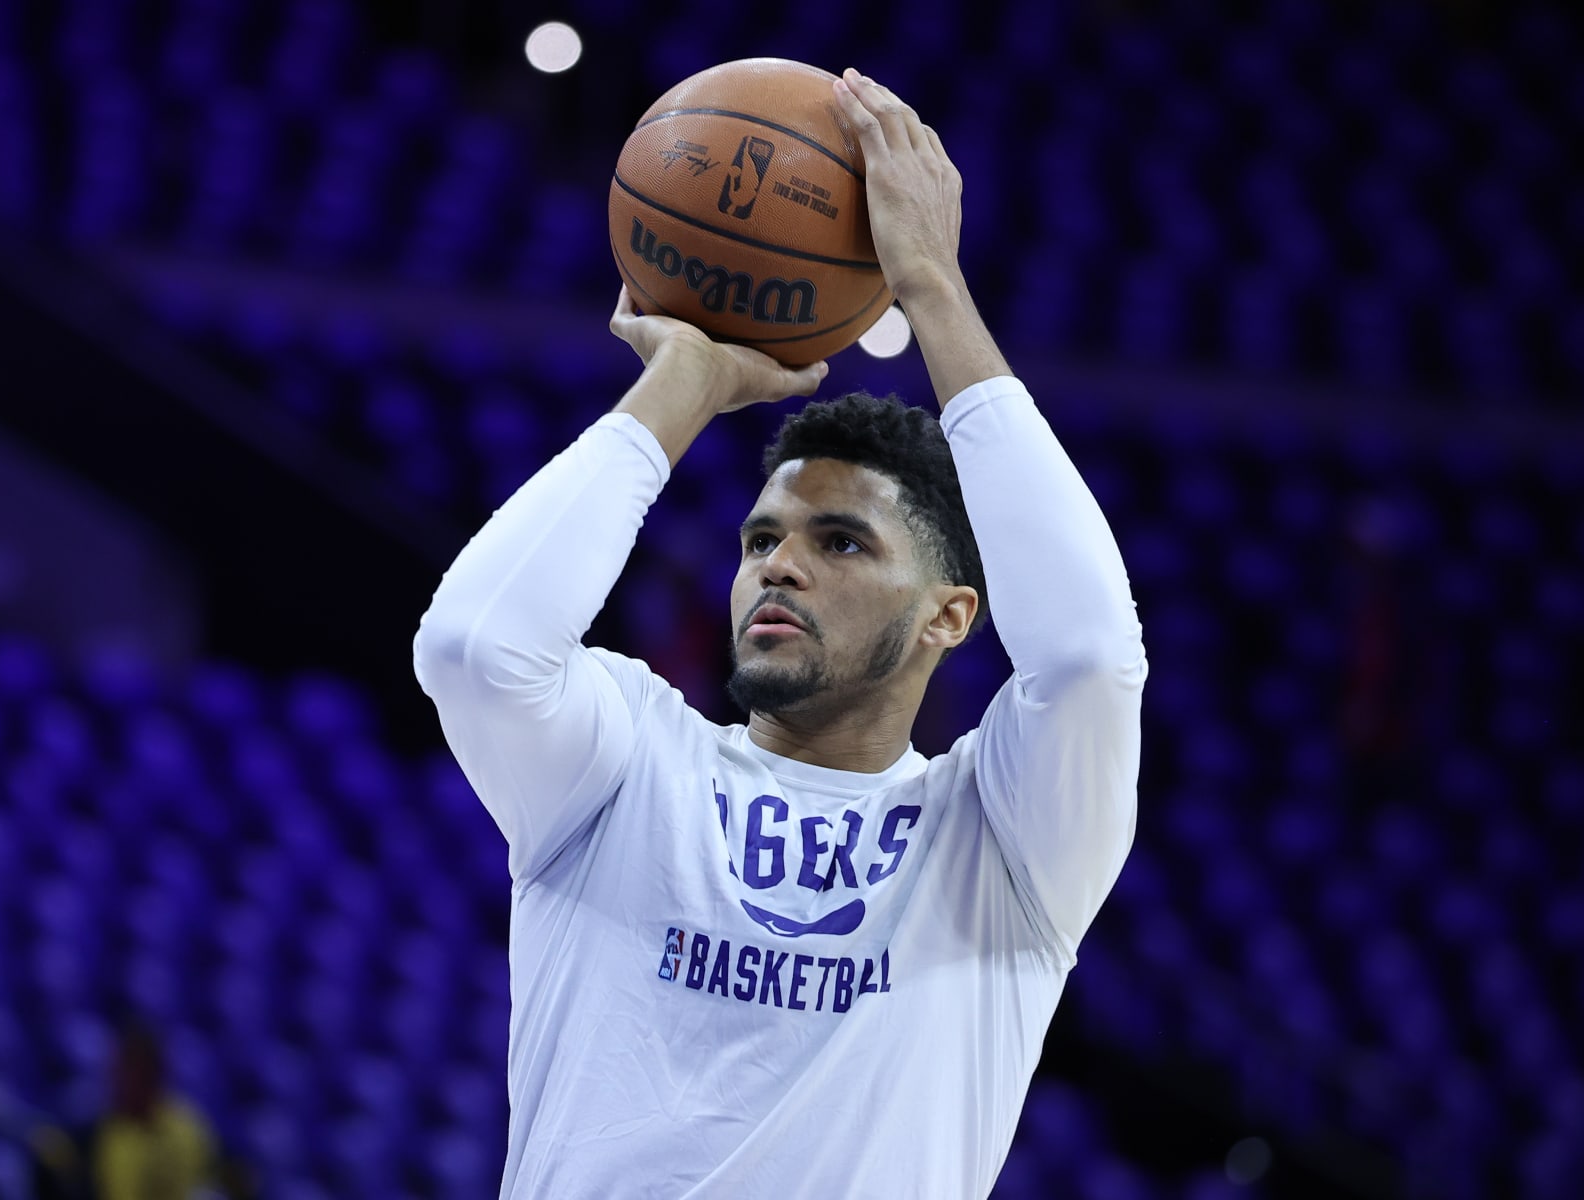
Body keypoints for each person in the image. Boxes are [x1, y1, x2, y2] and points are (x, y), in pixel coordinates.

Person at [413, 69, 1146, 1196]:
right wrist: (682, 389)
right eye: (763, 540)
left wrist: (934, 293)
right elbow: (471, 647)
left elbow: (1091, 658)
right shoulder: (627, 763)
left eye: (842, 543)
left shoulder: (1001, 844)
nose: (781, 564)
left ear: (952, 615)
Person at [89, 1024, 218, 1200]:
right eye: (118, 1075)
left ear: (153, 1077)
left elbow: (203, 1183)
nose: (121, 1085)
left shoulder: (186, 1125)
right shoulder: (108, 1139)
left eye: (132, 1075)